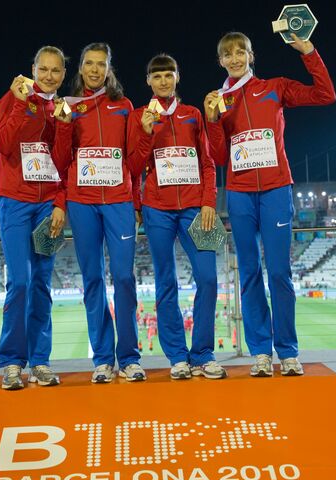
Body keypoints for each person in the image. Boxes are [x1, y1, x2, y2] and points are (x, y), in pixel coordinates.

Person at [204, 32, 336, 377]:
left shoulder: (275, 87)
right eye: (227, 54)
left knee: (279, 273)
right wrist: (213, 121)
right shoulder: (219, 100)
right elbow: (218, 157)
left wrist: (308, 50)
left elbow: (325, 94)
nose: (234, 59)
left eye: (240, 52)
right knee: (248, 274)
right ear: (220, 61)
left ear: (251, 55)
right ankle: (261, 352)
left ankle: (288, 352)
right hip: (240, 194)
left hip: (276, 190)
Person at [127, 53, 227, 380]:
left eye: (168, 75)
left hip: (195, 209)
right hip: (157, 208)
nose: (163, 81)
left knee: (209, 278)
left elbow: (208, 162)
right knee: (165, 281)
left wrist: (209, 201)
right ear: (148, 82)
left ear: (177, 76)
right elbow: (132, 167)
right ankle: (177, 358)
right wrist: (143, 133)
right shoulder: (140, 116)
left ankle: (203, 353)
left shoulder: (193, 114)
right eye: (157, 77)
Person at [53, 42, 144, 383]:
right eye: (88, 63)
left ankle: (130, 357)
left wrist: (135, 202)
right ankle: (103, 360)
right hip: (82, 203)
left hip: (119, 202)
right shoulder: (69, 108)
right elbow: (60, 161)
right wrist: (63, 125)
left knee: (123, 278)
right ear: (80, 68)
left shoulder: (124, 106)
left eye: (100, 64)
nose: (94, 69)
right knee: (93, 281)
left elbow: (134, 162)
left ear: (109, 68)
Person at [0, 45, 67, 390]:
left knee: (41, 283)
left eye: (56, 70)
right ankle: (11, 361)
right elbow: (5, 144)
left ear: (62, 74)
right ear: (33, 69)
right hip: (14, 200)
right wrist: (21, 103)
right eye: (44, 69)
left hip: (46, 203)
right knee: (20, 281)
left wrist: (60, 203)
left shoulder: (63, 110)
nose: (49, 76)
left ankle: (40, 361)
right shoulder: (12, 98)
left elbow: (66, 161)